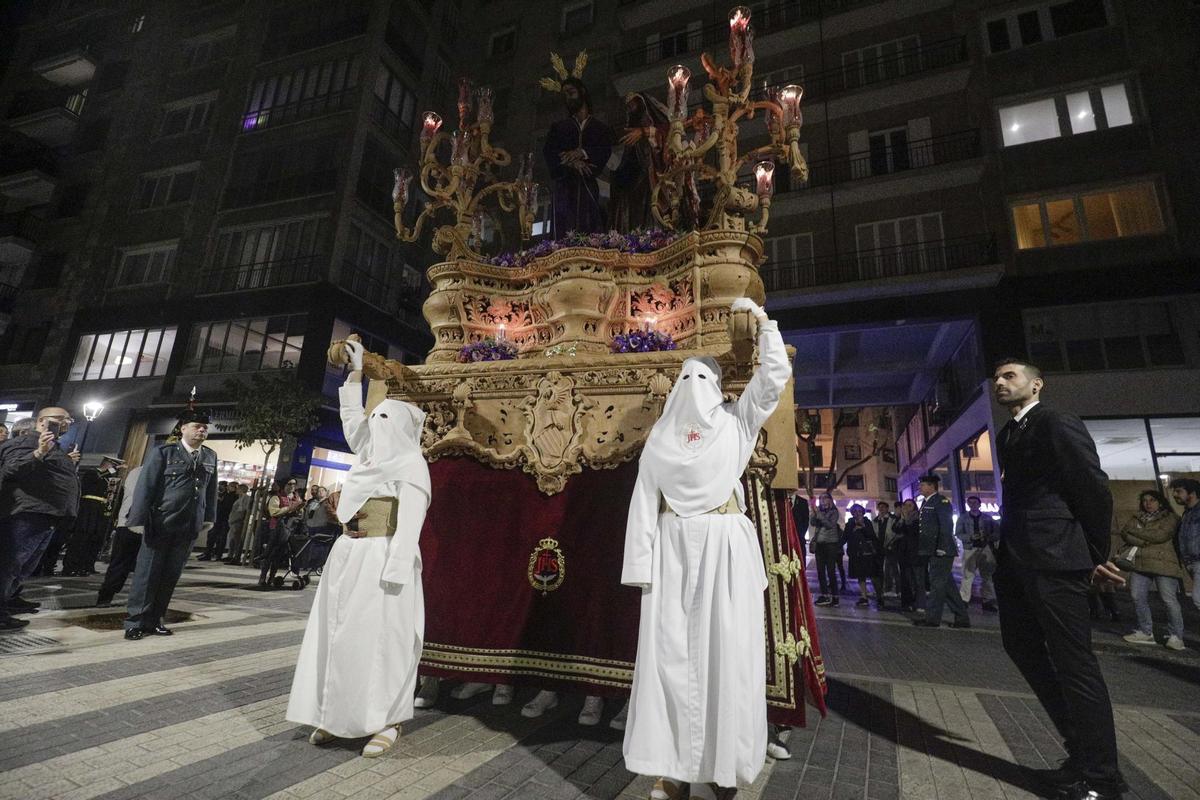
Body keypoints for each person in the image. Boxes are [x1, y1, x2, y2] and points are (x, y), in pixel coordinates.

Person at [621, 297, 791, 800]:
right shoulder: (659, 440)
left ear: (716, 387)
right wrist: (641, 566)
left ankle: (725, 767)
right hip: (673, 551)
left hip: (724, 548)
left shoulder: (737, 422)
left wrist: (764, 324)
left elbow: (773, 377)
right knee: (669, 656)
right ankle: (671, 768)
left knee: (727, 653)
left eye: (704, 380)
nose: (695, 390)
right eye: (687, 380)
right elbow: (642, 505)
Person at [287, 338, 429, 759]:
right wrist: (354, 372)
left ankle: (388, 720)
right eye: (376, 420)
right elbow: (353, 420)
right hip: (347, 557)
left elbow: (411, 525)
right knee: (338, 636)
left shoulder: (410, 465)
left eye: (384, 421)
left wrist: (397, 570)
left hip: (384, 562)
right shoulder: (368, 456)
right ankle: (337, 715)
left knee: (383, 641)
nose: (376, 426)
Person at [991, 357, 1125, 800]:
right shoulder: (1010, 432)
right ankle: (1081, 753)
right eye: (997, 377)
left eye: (1010, 376)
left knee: (1075, 664)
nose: (1000, 382)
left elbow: (1091, 485)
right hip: (1017, 558)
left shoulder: (1056, 421)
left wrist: (1093, 554)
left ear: (1036, 385)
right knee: (1021, 645)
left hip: (1055, 557)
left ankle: (1103, 777)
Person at [123, 411, 218, 640]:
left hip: (188, 525)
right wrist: (137, 520)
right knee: (148, 574)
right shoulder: (163, 453)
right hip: (161, 523)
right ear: (183, 428)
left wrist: (209, 517)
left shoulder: (209, 456)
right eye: (197, 426)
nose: (202, 430)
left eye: (205, 427)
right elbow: (146, 487)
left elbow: (211, 489)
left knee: (170, 576)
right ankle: (135, 621)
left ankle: (155, 620)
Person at [0, 407, 81, 630]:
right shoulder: (25, 442)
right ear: (41, 422)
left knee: (23, 567)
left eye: (68, 420)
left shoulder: (55, 447)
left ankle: (7, 602)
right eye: (60, 419)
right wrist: (39, 452)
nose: (65, 423)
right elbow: (10, 470)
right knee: (10, 565)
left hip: (46, 516)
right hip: (26, 515)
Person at [542, 77, 613, 237]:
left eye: (571, 93)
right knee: (564, 231)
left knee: (590, 230)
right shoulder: (559, 128)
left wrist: (583, 153)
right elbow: (550, 152)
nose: (568, 98)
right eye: (565, 95)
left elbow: (604, 150)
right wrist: (573, 163)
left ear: (582, 91)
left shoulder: (600, 128)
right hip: (565, 187)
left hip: (588, 186)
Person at [1118, 489, 1186, 651]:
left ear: (1160, 502)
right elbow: (1124, 533)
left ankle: (1176, 636)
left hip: (1164, 563)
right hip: (1140, 562)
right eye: (1145, 500)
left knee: (1168, 599)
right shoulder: (1137, 517)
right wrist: (1144, 539)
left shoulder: (1171, 517)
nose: (1148, 503)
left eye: (1152, 500)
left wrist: (1138, 533)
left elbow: (1160, 536)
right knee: (1137, 596)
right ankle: (1145, 631)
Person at [912, 474, 969, 629]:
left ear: (932, 486)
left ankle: (932, 619)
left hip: (941, 550)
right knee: (947, 586)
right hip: (932, 549)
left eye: (923, 485)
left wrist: (942, 547)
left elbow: (946, 526)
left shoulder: (941, 502)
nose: (920, 487)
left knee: (937, 585)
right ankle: (962, 618)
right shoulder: (926, 502)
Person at [610, 92, 670, 232]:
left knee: (651, 207)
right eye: (628, 107)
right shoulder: (631, 128)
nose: (631, 109)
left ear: (642, 104)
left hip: (651, 173)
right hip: (635, 175)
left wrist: (645, 132)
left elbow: (667, 132)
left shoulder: (652, 122)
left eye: (633, 104)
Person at [62, 455, 124, 576]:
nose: (114, 469)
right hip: (89, 508)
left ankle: (86, 565)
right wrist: (112, 470)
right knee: (81, 538)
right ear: (107, 463)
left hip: (101, 511)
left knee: (95, 539)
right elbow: (98, 479)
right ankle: (70, 566)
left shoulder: (109, 479)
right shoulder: (92, 473)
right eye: (113, 465)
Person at [96, 464, 145, 607]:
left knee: (120, 563)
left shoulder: (136, 471)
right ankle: (107, 596)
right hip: (135, 523)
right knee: (123, 563)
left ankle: (106, 596)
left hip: (128, 522)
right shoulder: (145, 472)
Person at [955, 495, 999, 611]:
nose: (973, 505)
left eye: (975, 502)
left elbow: (997, 532)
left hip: (985, 548)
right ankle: (964, 600)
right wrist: (970, 537)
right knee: (968, 575)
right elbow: (958, 533)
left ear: (979, 504)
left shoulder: (987, 518)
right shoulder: (963, 518)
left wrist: (988, 537)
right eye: (970, 503)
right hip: (970, 548)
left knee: (987, 576)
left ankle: (987, 600)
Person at [258, 479, 302, 588]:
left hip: (289, 530)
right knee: (270, 554)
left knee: (279, 556)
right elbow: (273, 512)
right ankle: (262, 577)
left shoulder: (297, 498)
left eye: (294, 484)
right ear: (284, 485)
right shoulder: (276, 497)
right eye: (289, 484)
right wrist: (289, 508)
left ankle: (272, 578)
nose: (292, 486)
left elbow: (300, 513)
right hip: (276, 529)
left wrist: (299, 510)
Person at [844, 504, 883, 609]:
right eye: (855, 511)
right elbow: (845, 537)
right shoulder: (850, 524)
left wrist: (863, 527)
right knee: (860, 576)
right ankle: (864, 596)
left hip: (868, 553)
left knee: (873, 576)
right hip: (856, 553)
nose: (857, 513)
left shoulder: (867, 522)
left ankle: (880, 597)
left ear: (862, 512)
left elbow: (872, 536)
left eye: (859, 511)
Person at [1170, 477, 1200, 615]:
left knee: (1197, 598)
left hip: (1197, 560)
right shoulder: (1187, 513)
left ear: (1192, 493)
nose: (1175, 495)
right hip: (1190, 561)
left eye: (1179, 491)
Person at [810, 493, 841, 607]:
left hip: (830, 545)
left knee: (831, 571)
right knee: (820, 571)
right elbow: (813, 523)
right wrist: (813, 511)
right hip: (820, 545)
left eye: (824, 498)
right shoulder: (820, 512)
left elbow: (829, 524)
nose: (822, 500)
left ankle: (835, 597)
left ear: (830, 500)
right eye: (820, 498)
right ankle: (824, 595)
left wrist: (818, 513)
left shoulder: (834, 512)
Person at [895, 498, 923, 612]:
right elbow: (895, 529)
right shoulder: (902, 518)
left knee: (917, 578)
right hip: (903, 552)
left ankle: (919, 603)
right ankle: (907, 602)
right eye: (905, 505)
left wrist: (905, 519)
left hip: (915, 552)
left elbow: (911, 531)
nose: (907, 507)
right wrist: (901, 519)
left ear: (914, 507)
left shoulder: (917, 518)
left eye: (910, 505)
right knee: (905, 578)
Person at [199, 481, 236, 561]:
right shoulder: (221, 494)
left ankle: (216, 554)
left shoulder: (230, 496)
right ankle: (209, 552)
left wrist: (220, 501)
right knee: (211, 537)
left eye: (222, 485)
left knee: (220, 538)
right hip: (217, 519)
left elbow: (227, 507)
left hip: (223, 519)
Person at [876, 501, 901, 599]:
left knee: (894, 570)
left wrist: (891, 542)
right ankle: (886, 589)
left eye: (883, 507)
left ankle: (898, 589)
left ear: (887, 508)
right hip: (880, 548)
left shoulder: (893, 519)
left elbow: (896, 533)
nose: (881, 509)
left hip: (891, 548)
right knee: (884, 570)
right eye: (879, 507)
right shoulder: (876, 520)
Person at [223, 483, 252, 565]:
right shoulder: (239, 499)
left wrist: (236, 519)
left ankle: (236, 557)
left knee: (236, 540)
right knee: (232, 540)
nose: (237, 490)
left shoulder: (245, 499)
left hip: (237, 522)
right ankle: (231, 555)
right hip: (234, 521)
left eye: (238, 489)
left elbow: (243, 511)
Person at [789, 491, 809, 560]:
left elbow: (806, 521)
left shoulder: (802, 502)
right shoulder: (781, 501)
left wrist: (800, 535)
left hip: (799, 540)